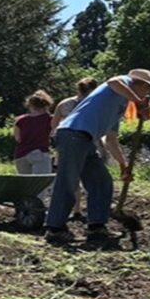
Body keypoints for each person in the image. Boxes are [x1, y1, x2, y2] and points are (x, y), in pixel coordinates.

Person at [45, 69, 150, 244]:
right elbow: (113, 81)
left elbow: (111, 139)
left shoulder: (121, 104)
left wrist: (123, 165)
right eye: (148, 90)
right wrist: (139, 101)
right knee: (68, 181)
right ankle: (55, 228)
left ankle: (96, 226)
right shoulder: (121, 82)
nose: (147, 95)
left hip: (86, 140)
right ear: (142, 84)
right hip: (73, 133)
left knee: (101, 182)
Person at [52, 77, 99, 218]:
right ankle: (86, 210)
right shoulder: (94, 103)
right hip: (90, 142)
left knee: (69, 178)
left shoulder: (64, 104)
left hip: (67, 143)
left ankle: (71, 210)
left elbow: (54, 125)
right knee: (93, 179)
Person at [13, 90, 55, 198]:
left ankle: (24, 210)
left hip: (21, 155)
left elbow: (18, 139)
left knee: (25, 186)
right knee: (40, 185)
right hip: (39, 153)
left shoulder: (20, 120)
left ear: (30, 105)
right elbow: (54, 134)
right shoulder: (49, 119)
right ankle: (37, 210)